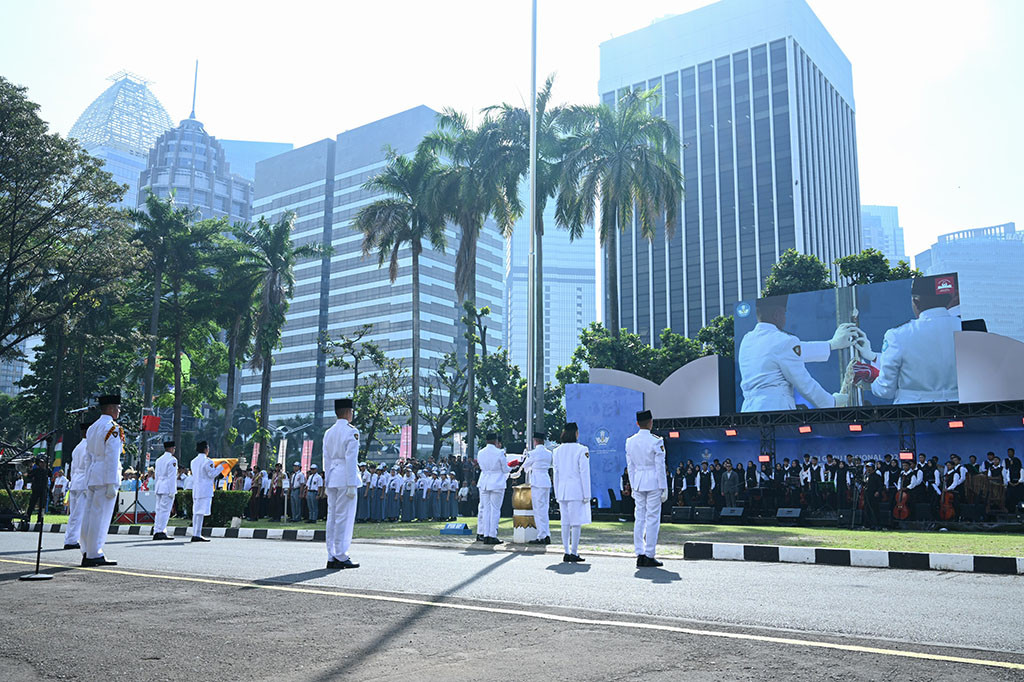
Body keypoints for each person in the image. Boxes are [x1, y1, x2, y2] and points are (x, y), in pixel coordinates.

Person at [852, 276, 960, 404]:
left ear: (916, 301)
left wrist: (872, 381)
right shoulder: (964, 327)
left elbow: (886, 390)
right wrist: (873, 357)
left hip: (913, 412)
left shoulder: (898, 334)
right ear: (947, 300)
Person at [738, 295, 854, 411]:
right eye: (784, 313)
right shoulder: (783, 341)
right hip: (775, 410)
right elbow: (804, 384)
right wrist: (831, 402)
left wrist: (831, 344)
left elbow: (788, 352)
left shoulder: (747, 340)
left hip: (749, 411)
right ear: (776, 315)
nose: (785, 318)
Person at [80, 394, 124, 567]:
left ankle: (87, 550)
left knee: (89, 515)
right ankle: (94, 553)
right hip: (105, 476)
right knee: (101, 517)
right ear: (111, 408)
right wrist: (111, 482)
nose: (119, 411)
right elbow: (112, 457)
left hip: (93, 474)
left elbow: (88, 457)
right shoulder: (112, 428)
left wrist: (87, 479)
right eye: (118, 408)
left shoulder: (92, 427)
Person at [625, 410, 667, 568]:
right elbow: (660, 466)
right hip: (653, 482)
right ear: (651, 422)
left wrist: (633, 485)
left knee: (639, 518)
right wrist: (664, 487)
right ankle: (649, 554)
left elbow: (630, 466)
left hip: (638, 482)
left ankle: (639, 553)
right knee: (652, 518)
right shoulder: (656, 440)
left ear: (637, 423)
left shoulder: (630, 441)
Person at [322, 397, 361, 570]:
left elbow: (326, 459)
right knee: (344, 518)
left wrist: (326, 482)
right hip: (345, 478)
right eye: (351, 411)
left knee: (332, 518)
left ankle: (331, 555)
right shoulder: (351, 431)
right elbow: (351, 459)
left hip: (332, 477)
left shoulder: (328, 432)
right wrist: (352, 484)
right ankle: (341, 555)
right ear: (347, 412)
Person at [552, 423, 591, 563]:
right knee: (576, 522)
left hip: (562, 490)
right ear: (576, 433)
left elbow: (556, 474)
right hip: (576, 490)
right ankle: (574, 552)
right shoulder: (582, 449)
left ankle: (566, 551)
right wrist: (587, 494)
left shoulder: (557, 451)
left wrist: (557, 493)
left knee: (565, 522)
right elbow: (584, 473)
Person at [476, 433, 513, 545]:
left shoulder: (480, 452)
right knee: (495, 510)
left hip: (484, 482)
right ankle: (492, 535)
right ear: (495, 441)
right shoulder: (499, 452)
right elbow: (505, 469)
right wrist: (512, 466)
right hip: (497, 482)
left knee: (486, 510)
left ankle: (485, 534)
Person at [63, 421, 92, 550]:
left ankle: (70, 538)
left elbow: (73, 468)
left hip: (75, 481)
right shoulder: (89, 447)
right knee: (79, 514)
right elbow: (89, 466)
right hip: (84, 482)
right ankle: (72, 540)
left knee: (74, 513)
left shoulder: (77, 447)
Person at [523, 432, 553, 545]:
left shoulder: (533, 453)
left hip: (537, 482)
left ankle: (542, 535)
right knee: (545, 509)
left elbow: (525, 465)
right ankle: (546, 534)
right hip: (545, 480)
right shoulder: (549, 453)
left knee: (538, 510)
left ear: (535, 441)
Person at [189, 441, 218, 543]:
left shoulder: (193, 461)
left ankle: (196, 533)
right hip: (205, 490)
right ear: (206, 449)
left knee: (196, 513)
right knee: (200, 513)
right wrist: (221, 467)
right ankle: (197, 534)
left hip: (196, 489)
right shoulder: (208, 461)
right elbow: (211, 474)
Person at [152, 440, 178, 540]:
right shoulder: (172, 460)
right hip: (167, 487)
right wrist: (172, 491)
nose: (174, 450)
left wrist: (156, 488)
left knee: (158, 510)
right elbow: (172, 477)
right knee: (165, 511)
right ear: (171, 448)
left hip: (159, 486)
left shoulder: (159, 460)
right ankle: (161, 531)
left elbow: (157, 475)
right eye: (174, 448)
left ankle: (157, 530)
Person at [861, 462, 885, 530]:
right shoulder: (866, 476)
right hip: (867, 495)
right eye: (867, 467)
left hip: (874, 495)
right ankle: (867, 525)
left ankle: (876, 524)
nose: (868, 469)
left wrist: (878, 492)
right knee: (867, 510)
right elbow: (864, 484)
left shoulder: (877, 476)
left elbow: (880, 486)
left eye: (869, 467)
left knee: (875, 510)